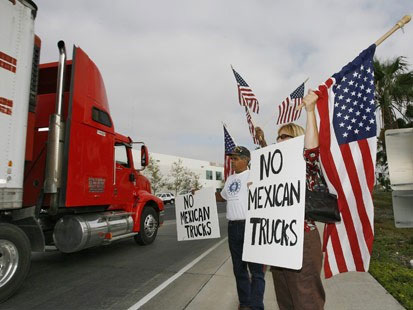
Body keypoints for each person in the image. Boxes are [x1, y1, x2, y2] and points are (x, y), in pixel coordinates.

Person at [255, 90, 325, 310]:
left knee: (306, 299)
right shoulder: (277, 170)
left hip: (302, 238)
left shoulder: (305, 163)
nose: (279, 140)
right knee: (285, 300)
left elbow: (312, 149)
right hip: (278, 240)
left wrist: (310, 111)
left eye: (285, 136)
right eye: (278, 136)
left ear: (297, 139)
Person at [216, 146, 266, 310]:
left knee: (256, 271)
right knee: (239, 269)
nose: (232, 162)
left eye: (236, 159)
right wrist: (200, 195)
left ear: (246, 160)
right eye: (231, 159)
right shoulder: (230, 179)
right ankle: (245, 303)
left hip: (251, 226)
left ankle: (257, 305)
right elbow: (222, 197)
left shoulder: (255, 175)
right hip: (233, 227)